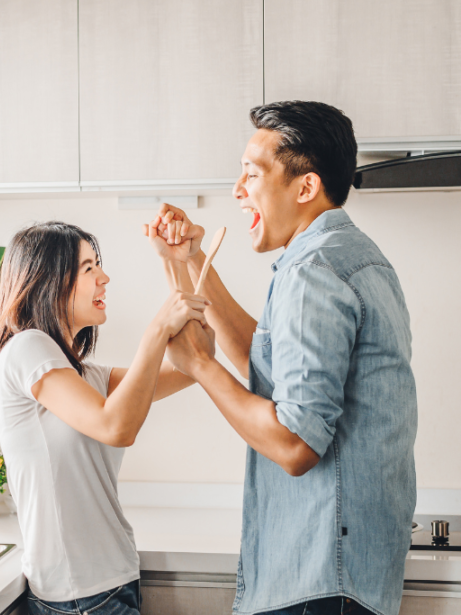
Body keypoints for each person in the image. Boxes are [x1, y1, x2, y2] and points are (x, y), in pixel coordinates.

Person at [148, 100, 417, 615]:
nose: (237, 189)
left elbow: (295, 445)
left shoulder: (312, 271)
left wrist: (202, 367)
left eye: (251, 174)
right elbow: (267, 357)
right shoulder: (352, 257)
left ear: (305, 187)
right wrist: (194, 260)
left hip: (318, 576)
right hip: (340, 576)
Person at [0, 221, 210, 615]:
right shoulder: (26, 348)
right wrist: (157, 331)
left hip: (112, 583)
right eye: (88, 268)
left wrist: (176, 263)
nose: (104, 278)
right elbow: (116, 426)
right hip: (77, 597)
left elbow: (194, 367)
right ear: (48, 279)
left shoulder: (86, 376)